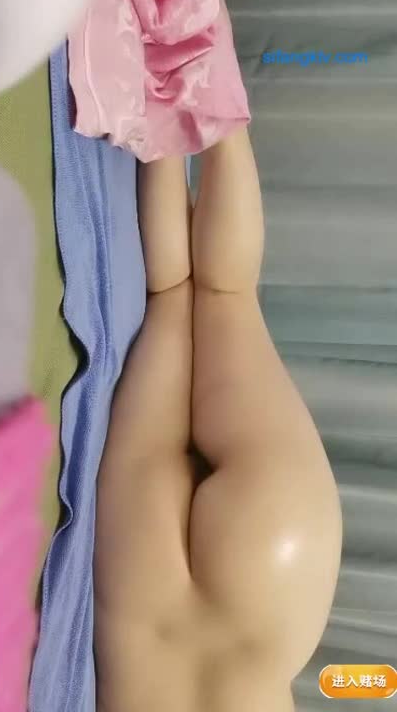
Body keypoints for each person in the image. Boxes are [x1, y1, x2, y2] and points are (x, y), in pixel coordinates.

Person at [94, 126, 343, 712]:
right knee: (169, 297)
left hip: (266, 581)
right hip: (141, 596)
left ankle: (204, 78)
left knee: (228, 295)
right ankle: (154, 88)